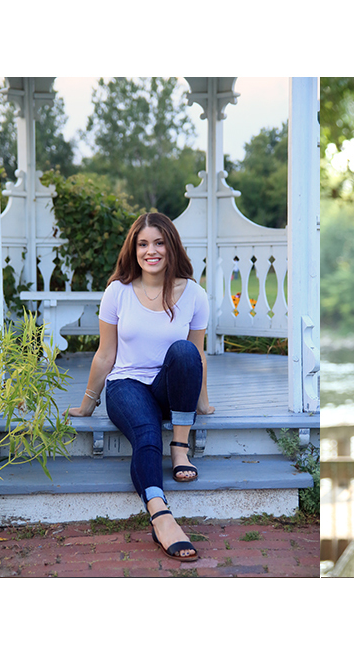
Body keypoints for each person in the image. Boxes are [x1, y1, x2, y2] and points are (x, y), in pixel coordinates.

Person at [69, 212, 214, 562]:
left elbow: (197, 357)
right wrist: (88, 403)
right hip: (126, 386)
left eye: (159, 243)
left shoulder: (193, 294)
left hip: (168, 389)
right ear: (133, 250)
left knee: (183, 350)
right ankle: (161, 516)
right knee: (147, 434)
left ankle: (180, 447)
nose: (152, 251)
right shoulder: (117, 292)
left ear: (172, 246)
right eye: (143, 244)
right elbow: (106, 354)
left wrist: (203, 402)